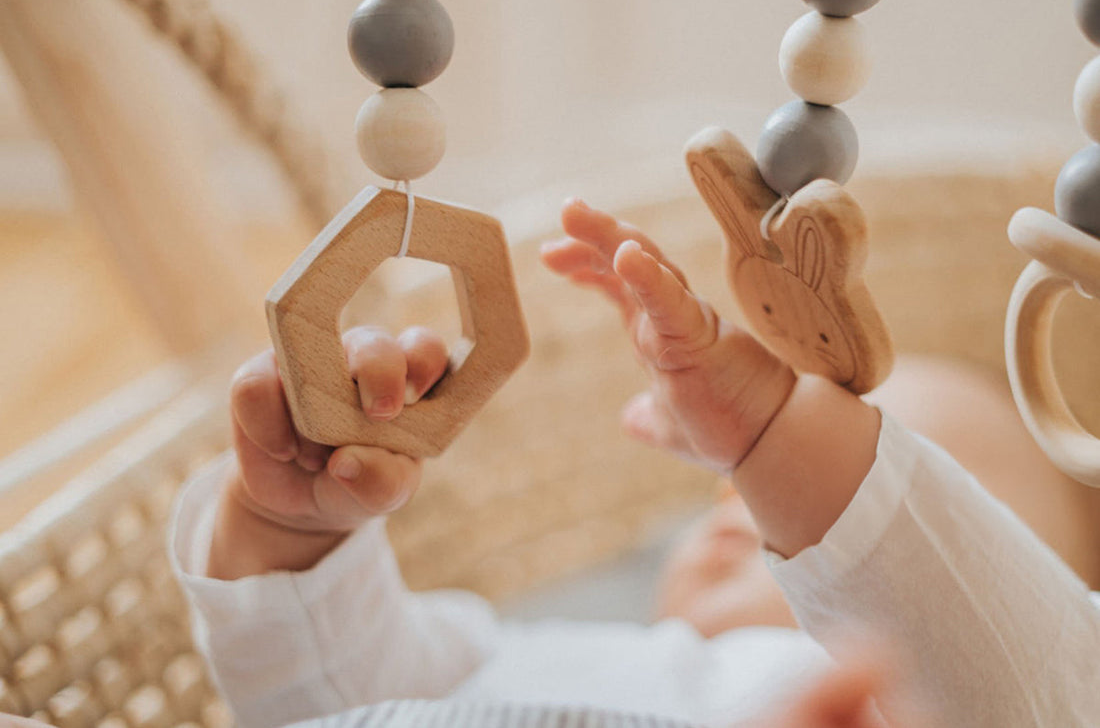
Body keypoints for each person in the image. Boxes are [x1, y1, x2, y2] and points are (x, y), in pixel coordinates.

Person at [163, 199, 1100, 727]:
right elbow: (333, 695)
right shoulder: (565, 652)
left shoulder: (929, 700)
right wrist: (292, 534)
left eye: (821, 519)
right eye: (747, 484)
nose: (749, 502)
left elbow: (1019, 669)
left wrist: (780, 433)